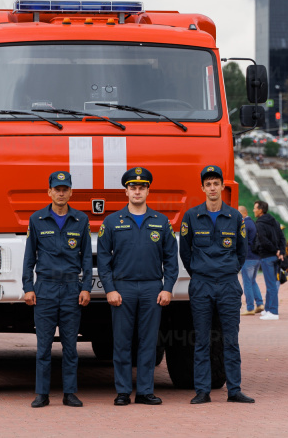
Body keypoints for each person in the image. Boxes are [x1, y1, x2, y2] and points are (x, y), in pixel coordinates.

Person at [97, 167, 179, 406]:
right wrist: (110, 289)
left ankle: (144, 391)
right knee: (121, 342)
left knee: (148, 342)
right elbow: (103, 259)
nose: (137, 191)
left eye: (142, 187)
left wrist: (168, 288)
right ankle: (123, 391)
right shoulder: (112, 222)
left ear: (148, 190)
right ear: (126, 191)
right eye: (133, 187)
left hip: (153, 288)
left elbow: (171, 260)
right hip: (123, 289)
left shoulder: (161, 222)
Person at [180, 165, 254, 405]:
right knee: (201, 339)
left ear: (223, 186)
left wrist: (226, 270)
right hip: (201, 284)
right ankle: (202, 390)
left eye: (216, 183)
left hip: (227, 285)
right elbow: (185, 252)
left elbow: (242, 252)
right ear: (202, 188)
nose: (212, 188)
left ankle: (234, 390)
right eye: (208, 184)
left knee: (230, 339)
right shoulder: (191, 216)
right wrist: (200, 272)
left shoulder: (235, 217)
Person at [23, 171, 92, 408]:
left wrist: (86, 288)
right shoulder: (37, 219)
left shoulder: (81, 220)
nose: (61, 193)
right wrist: (27, 287)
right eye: (57, 189)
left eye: (65, 189)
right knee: (43, 346)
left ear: (71, 192)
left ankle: (69, 393)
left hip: (72, 288)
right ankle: (42, 394)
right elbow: (29, 257)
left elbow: (86, 260)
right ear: (49, 192)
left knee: (70, 346)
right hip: (45, 288)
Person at [252, 200, 286, 321]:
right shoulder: (275, 221)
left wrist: (275, 250)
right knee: (272, 284)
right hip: (275, 257)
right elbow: (282, 238)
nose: (253, 210)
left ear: (261, 210)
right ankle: (267, 309)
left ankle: (273, 312)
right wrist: (281, 251)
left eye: (255, 208)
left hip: (267, 256)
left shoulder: (260, 224)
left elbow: (263, 240)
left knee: (271, 285)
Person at [238, 206, 264, 316]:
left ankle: (249, 307)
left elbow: (241, 241)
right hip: (256, 257)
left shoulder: (245, 224)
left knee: (247, 282)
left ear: (243, 213)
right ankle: (259, 303)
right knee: (252, 281)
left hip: (248, 257)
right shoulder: (252, 223)